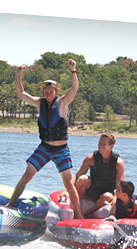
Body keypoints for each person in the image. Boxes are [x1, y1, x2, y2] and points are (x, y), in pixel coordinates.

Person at [5, 59, 84, 219]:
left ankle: (79, 215)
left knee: (69, 184)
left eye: (51, 91)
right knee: (27, 175)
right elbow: (21, 94)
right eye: (46, 92)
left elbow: (75, 88)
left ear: (56, 91)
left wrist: (73, 70)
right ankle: (11, 204)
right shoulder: (38, 103)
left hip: (61, 149)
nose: (48, 94)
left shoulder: (63, 102)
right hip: (45, 147)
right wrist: (18, 75)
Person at [61, 133, 125, 218]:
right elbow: (77, 176)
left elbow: (119, 187)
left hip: (106, 192)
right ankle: (76, 209)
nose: (101, 146)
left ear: (111, 146)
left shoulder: (118, 163)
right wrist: (65, 190)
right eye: (100, 143)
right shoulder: (91, 159)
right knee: (83, 179)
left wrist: (115, 202)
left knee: (108, 196)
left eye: (104, 144)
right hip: (91, 190)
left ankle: (86, 213)